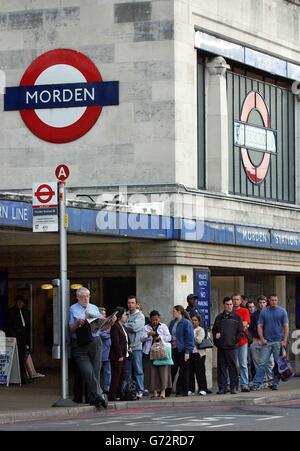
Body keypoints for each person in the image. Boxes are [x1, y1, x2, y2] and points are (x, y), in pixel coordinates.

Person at [69, 287, 109, 409]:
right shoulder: (72, 309)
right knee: (88, 372)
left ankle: (94, 398)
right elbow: (70, 328)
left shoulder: (94, 308)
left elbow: (101, 327)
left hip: (95, 341)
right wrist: (77, 323)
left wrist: (108, 322)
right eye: (83, 296)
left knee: (96, 371)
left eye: (88, 296)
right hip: (80, 343)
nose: (86, 298)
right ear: (78, 297)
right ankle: (100, 395)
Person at [251, 294, 289, 391]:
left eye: (276, 300)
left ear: (277, 300)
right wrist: (262, 338)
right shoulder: (264, 311)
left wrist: (284, 340)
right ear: (269, 300)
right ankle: (257, 383)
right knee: (262, 363)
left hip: (278, 342)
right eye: (272, 300)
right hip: (266, 342)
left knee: (278, 363)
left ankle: (274, 383)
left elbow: (286, 327)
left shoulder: (282, 311)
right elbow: (259, 326)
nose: (274, 302)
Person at [212, 297, 244, 395]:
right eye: (227, 304)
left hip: (232, 347)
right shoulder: (219, 317)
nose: (229, 306)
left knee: (233, 368)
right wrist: (216, 336)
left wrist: (234, 341)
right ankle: (222, 388)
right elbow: (214, 330)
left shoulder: (237, 317)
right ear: (224, 305)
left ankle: (234, 387)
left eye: (231, 304)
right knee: (221, 368)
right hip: (221, 347)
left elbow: (241, 332)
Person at [141, 310, 172, 399]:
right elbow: (141, 339)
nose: (155, 321)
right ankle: (154, 392)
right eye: (153, 320)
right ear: (150, 319)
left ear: (159, 318)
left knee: (163, 372)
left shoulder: (163, 326)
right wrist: (148, 335)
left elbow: (169, 337)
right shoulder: (146, 327)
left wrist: (159, 336)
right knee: (152, 373)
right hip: (149, 352)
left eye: (156, 319)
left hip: (161, 352)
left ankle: (163, 391)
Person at [249, 295, 274, 386]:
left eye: (263, 302)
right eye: (260, 302)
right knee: (257, 362)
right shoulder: (254, 315)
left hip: (268, 341)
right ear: (258, 304)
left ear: (266, 303)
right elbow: (251, 329)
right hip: (256, 341)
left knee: (270, 362)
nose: (262, 304)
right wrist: (253, 338)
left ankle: (271, 380)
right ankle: (262, 380)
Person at [6, 295, 31, 385]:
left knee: (22, 358)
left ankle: (24, 377)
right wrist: (14, 337)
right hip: (15, 338)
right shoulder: (11, 311)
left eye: (22, 302)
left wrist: (28, 341)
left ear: (24, 303)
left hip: (24, 338)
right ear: (16, 302)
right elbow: (9, 326)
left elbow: (28, 327)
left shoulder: (26, 312)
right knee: (18, 358)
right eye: (18, 301)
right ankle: (21, 379)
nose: (20, 303)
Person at [170, 305, 194, 397]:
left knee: (183, 371)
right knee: (173, 369)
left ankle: (183, 391)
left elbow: (189, 338)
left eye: (174, 311)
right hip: (174, 349)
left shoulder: (186, 323)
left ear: (179, 312)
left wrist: (188, 351)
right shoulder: (172, 323)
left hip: (183, 349)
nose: (173, 313)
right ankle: (170, 390)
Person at [125, 295, 145, 399]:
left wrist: (125, 324)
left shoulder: (140, 316)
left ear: (136, 304)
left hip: (136, 346)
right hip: (126, 347)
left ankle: (140, 390)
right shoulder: (126, 314)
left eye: (132, 303)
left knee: (138, 369)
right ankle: (128, 390)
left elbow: (135, 328)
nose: (130, 305)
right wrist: (128, 324)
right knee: (127, 371)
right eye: (129, 303)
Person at [108, 307, 131, 401]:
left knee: (122, 375)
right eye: (125, 315)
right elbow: (115, 342)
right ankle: (112, 395)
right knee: (116, 376)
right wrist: (120, 355)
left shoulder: (123, 327)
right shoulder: (115, 327)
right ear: (120, 316)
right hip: (118, 356)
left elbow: (126, 340)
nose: (126, 316)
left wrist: (129, 347)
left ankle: (120, 394)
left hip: (125, 354)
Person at [232, 293, 251, 392]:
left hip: (243, 341)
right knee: (234, 364)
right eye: (234, 299)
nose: (235, 301)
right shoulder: (229, 311)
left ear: (240, 301)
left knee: (243, 364)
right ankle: (233, 384)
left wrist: (233, 327)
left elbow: (245, 324)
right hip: (232, 342)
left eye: (237, 299)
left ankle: (244, 384)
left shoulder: (244, 310)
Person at [189, 315, 210, 396]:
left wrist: (191, 336)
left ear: (198, 321)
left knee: (200, 372)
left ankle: (202, 388)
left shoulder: (200, 330)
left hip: (199, 353)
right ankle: (191, 389)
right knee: (190, 372)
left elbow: (198, 340)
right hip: (191, 353)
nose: (193, 322)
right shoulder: (190, 329)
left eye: (195, 320)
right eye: (192, 320)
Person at [99, 307, 111, 395]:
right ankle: (98, 388)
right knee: (98, 371)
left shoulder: (107, 324)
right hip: (99, 351)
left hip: (107, 350)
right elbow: (101, 334)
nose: (104, 316)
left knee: (107, 371)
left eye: (105, 314)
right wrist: (108, 333)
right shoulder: (97, 323)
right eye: (102, 314)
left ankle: (107, 388)